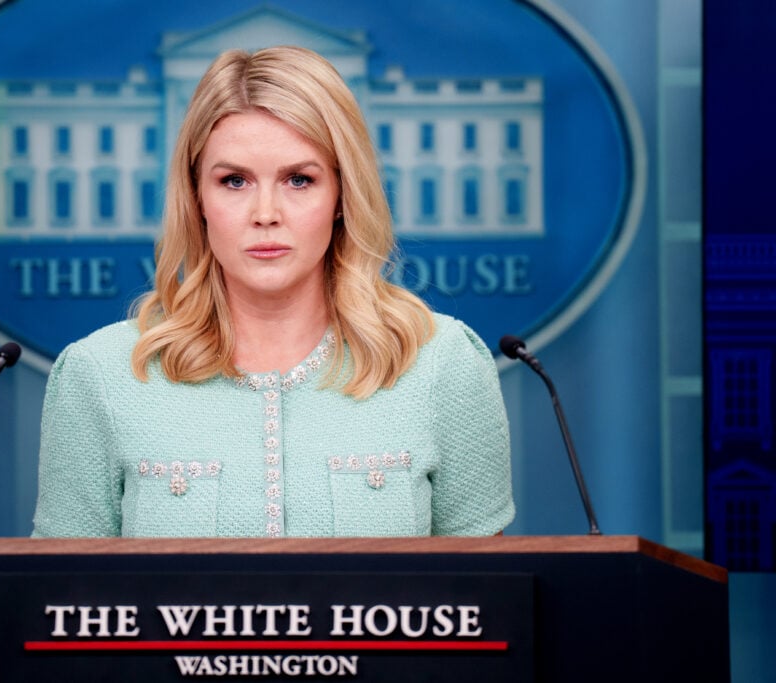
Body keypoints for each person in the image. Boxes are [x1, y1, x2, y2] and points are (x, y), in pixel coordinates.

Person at [32, 46, 514, 538]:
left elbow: (488, 605)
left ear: (343, 196)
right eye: (235, 181)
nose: (265, 213)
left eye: (299, 180)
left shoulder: (442, 361)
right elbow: (61, 604)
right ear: (196, 195)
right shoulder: (100, 373)